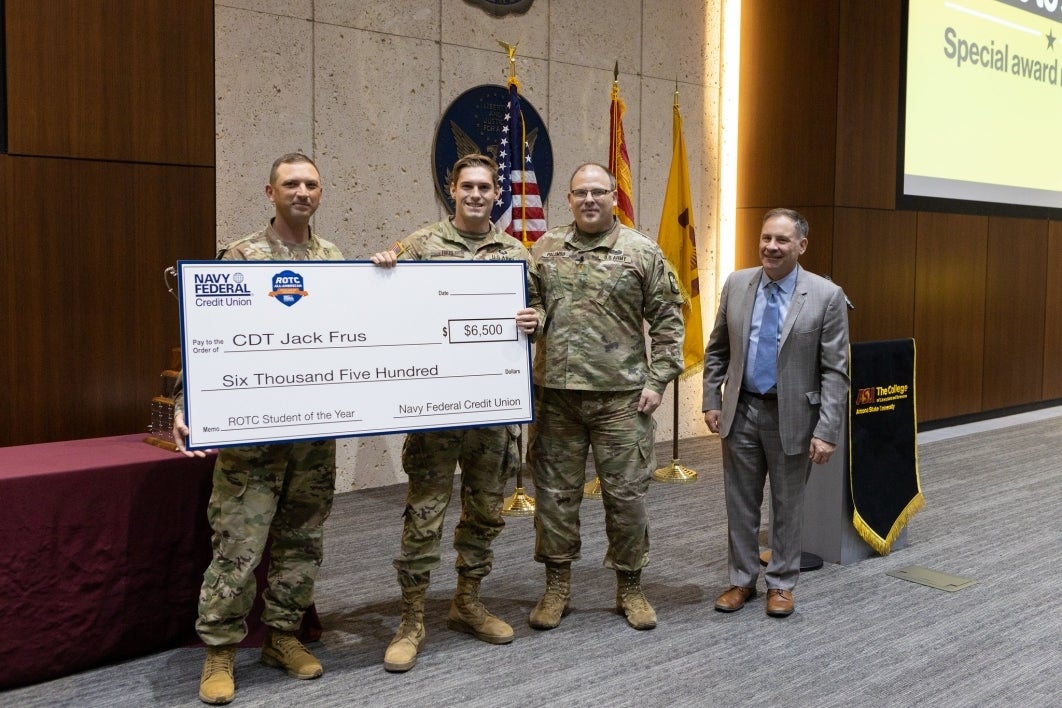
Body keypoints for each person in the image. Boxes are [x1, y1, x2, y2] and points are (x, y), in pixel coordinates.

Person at [172, 153, 344, 705]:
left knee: (301, 541)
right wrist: (187, 401)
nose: (302, 191)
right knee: (238, 547)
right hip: (252, 440)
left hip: (313, 435)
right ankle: (221, 650)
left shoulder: (335, 259)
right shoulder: (241, 256)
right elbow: (208, 337)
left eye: (310, 183)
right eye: (290, 183)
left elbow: (353, 334)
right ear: (269, 192)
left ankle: (284, 637)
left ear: (321, 193)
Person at [369, 153, 542, 672]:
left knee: (486, 512)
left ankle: (468, 600)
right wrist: (382, 274)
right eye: (466, 186)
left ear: (497, 194)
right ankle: (412, 618)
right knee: (424, 515)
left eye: (484, 187)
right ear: (451, 189)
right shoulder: (419, 247)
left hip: (491, 409)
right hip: (437, 409)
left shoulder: (516, 254)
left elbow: (541, 318)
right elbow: (385, 313)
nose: (474, 194)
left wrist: (534, 320)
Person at [526, 163, 685, 631]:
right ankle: (557, 585)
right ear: (569, 199)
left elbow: (669, 323)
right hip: (557, 398)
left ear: (613, 196)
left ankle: (630, 587)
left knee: (627, 498)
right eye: (581, 193)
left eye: (599, 192)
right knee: (555, 497)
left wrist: (657, 382)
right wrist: (532, 316)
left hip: (622, 400)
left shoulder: (642, 252)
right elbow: (530, 303)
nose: (589, 200)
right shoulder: (546, 248)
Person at [702, 208, 849, 618]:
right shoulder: (736, 283)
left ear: (801, 246)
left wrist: (828, 429)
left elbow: (836, 371)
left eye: (782, 240)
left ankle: (781, 583)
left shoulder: (825, 295)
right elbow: (717, 349)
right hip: (742, 410)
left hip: (794, 418)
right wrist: (712, 399)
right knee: (740, 502)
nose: (771, 246)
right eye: (766, 237)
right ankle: (741, 580)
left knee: (787, 505)